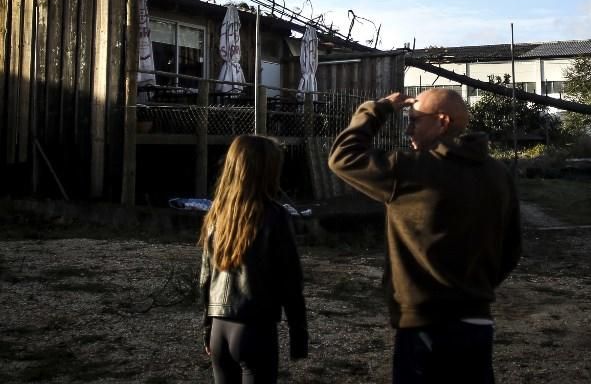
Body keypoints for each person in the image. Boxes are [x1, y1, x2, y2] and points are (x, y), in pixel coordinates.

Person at [328, 88, 522, 384]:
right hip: (477, 323)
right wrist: (471, 287)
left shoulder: (410, 169)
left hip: (424, 327)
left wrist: (378, 109)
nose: (408, 129)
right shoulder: (499, 175)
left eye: (414, 120)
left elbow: (343, 157)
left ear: (442, 121)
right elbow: (511, 249)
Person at [199, 135, 308, 384]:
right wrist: (298, 333)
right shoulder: (275, 216)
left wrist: (207, 327)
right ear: (268, 171)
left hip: (219, 328)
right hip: (255, 329)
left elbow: (206, 277)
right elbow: (290, 280)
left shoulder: (217, 213)